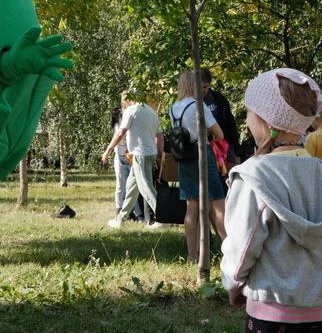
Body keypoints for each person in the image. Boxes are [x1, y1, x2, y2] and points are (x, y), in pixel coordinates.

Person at [222, 68, 322, 333]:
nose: (247, 120)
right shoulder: (321, 172)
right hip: (316, 306)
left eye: (249, 112)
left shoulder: (255, 176)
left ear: (265, 121)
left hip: (270, 308)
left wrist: (233, 283)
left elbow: (243, 243)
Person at [169, 71, 228, 260]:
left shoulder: (173, 108)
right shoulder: (198, 105)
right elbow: (219, 134)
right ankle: (230, 251)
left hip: (184, 158)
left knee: (191, 206)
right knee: (218, 202)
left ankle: (192, 256)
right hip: (202, 155)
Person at [102, 91, 163, 229]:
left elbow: (120, 134)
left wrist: (108, 150)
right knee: (131, 187)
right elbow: (159, 136)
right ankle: (121, 219)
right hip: (149, 154)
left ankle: (162, 218)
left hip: (140, 155)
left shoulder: (131, 110)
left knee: (146, 188)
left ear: (128, 100)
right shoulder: (151, 112)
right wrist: (159, 153)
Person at [199, 67, 241, 169]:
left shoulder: (218, 99)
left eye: (205, 87)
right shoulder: (192, 102)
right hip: (205, 147)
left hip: (224, 144)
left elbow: (230, 123)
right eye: (199, 87)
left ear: (209, 85)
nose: (202, 90)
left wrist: (236, 150)